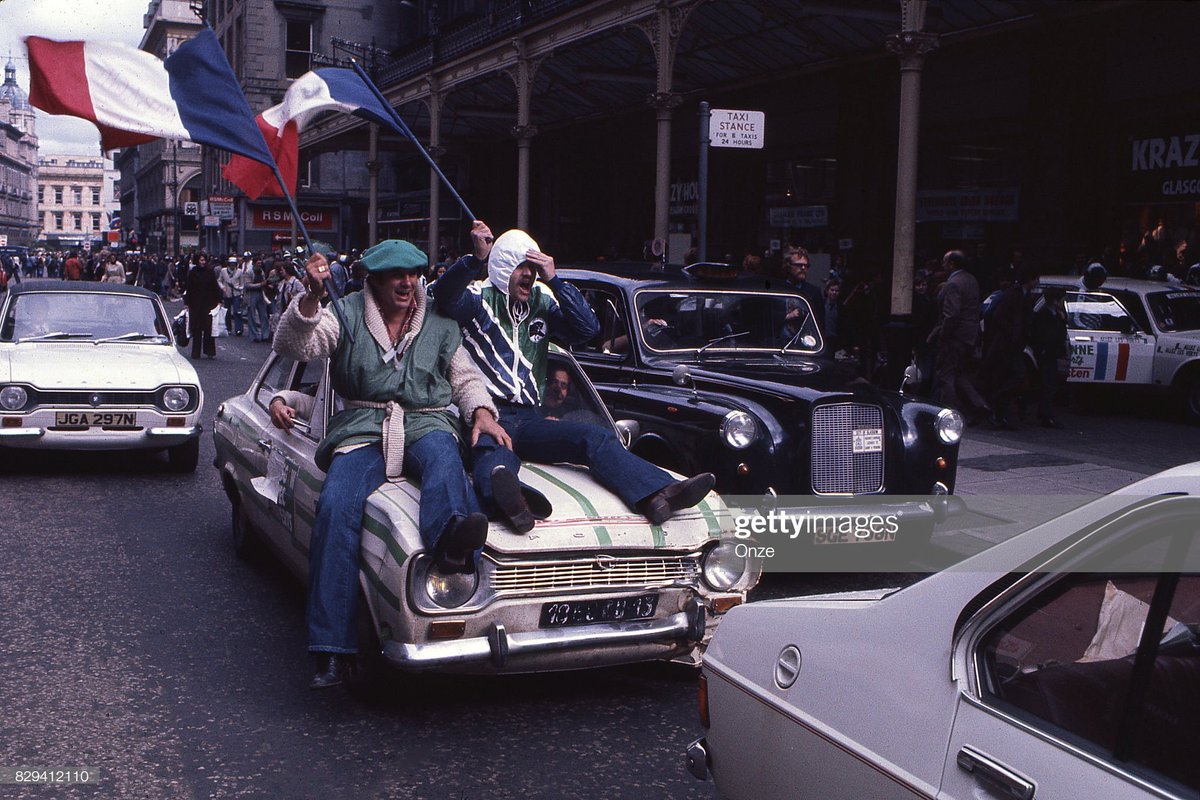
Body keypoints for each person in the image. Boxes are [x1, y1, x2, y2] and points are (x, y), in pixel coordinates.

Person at [273, 239, 507, 690]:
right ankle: (331, 649)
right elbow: (295, 343)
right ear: (374, 280)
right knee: (336, 506)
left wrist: (480, 410)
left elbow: (464, 377)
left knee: (445, 462)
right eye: (397, 275)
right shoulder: (343, 313)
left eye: (414, 273)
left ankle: (454, 545)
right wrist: (311, 297)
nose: (407, 283)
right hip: (361, 423)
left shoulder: (438, 318)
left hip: (426, 419)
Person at [434, 221, 715, 533]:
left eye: (533, 267)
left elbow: (587, 330)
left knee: (593, 438)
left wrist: (555, 280)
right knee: (494, 455)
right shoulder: (476, 299)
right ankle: (512, 503)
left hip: (529, 418)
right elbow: (444, 296)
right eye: (520, 266)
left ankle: (659, 494)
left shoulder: (542, 301)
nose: (529, 273)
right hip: (487, 415)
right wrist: (475, 259)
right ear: (502, 267)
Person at [930, 249, 990, 422]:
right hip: (969, 335)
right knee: (959, 373)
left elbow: (951, 315)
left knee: (946, 375)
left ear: (951, 264)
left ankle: (950, 414)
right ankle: (979, 404)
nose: (942, 265)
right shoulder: (971, 280)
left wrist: (943, 335)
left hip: (955, 336)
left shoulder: (953, 283)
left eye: (944, 262)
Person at [1029, 286, 1069, 428]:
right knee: (1049, 384)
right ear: (1055, 301)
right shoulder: (1045, 316)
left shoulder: (1055, 314)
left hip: (1051, 352)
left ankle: (1044, 412)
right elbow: (1045, 336)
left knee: (1050, 384)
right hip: (1047, 352)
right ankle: (1046, 414)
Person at [184, 253, 221, 359]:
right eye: (201, 260)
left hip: (209, 304)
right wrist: (186, 303)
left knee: (208, 328)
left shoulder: (210, 272)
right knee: (196, 329)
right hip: (195, 304)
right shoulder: (192, 273)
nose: (203, 262)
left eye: (204, 260)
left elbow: (215, 286)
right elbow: (189, 288)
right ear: (197, 261)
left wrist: (219, 300)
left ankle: (210, 352)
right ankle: (196, 353)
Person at [782, 246, 825, 333]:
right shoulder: (779, 290)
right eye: (799, 265)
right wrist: (788, 316)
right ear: (788, 266)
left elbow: (820, 323)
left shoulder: (814, 292)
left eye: (806, 265)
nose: (803, 268)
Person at [244, 254, 271, 342]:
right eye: (258, 263)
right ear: (254, 263)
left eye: (260, 263)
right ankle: (254, 335)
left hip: (261, 293)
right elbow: (247, 285)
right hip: (252, 294)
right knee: (252, 315)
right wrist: (259, 285)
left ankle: (265, 335)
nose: (260, 265)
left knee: (264, 315)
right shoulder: (249, 272)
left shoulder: (261, 271)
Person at [218, 255, 246, 336]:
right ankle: (228, 328)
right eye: (231, 264)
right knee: (227, 312)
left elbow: (242, 283)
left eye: (234, 264)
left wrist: (239, 289)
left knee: (237, 311)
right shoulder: (223, 271)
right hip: (227, 293)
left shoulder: (239, 271)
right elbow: (219, 280)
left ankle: (239, 329)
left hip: (236, 293)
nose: (232, 265)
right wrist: (222, 287)